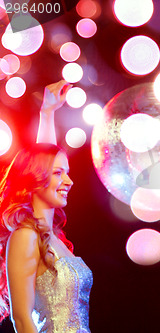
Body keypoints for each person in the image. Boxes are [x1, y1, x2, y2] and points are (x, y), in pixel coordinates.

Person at [0, 81, 93, 332]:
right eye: (59, 173)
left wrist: (48, 112)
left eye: (68, 172)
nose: (69, 181)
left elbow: (45, 158)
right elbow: (21, 319)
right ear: (36, 177)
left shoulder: (51, 237)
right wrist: (46, 113)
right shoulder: (25, 237)